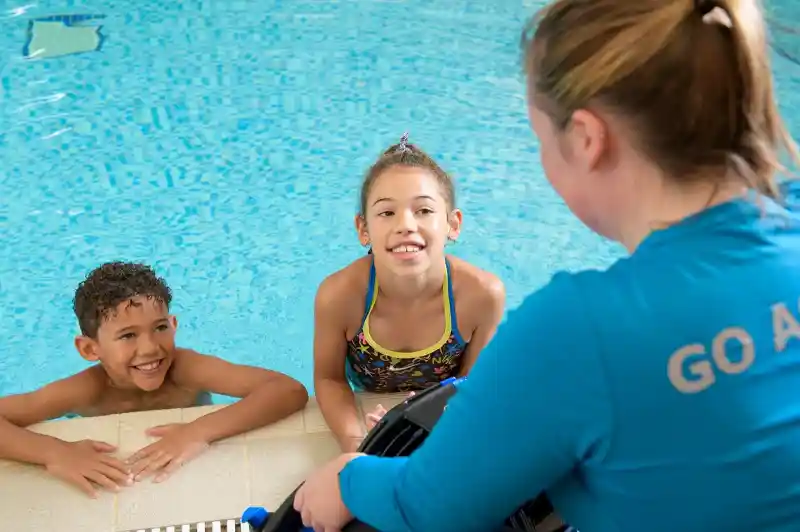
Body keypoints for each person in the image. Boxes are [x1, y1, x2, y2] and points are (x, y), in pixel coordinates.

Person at [293, 1, 800, 531]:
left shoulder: (578, 329)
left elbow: (430, 507)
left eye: (541, 140)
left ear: (585, 139)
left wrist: (347, 477)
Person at [0, 261, 309, 498]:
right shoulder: (87, 390)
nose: (150, 348)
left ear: (173, 325)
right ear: (90, 349)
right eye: (128, 335)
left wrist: (198, 432)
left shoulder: (185, 370)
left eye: (160, 328)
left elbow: (288, 390)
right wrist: (56, 453)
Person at [313, 133, 506, 453]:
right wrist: (358, 444)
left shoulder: (482, 295)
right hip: (367, 391)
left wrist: (432, 421)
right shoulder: (340, 296)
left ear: (453, 224)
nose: (405, 224)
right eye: (387, 212)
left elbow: (474, 385)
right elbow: (329, 379)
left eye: (424, 210)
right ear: (363, 229)